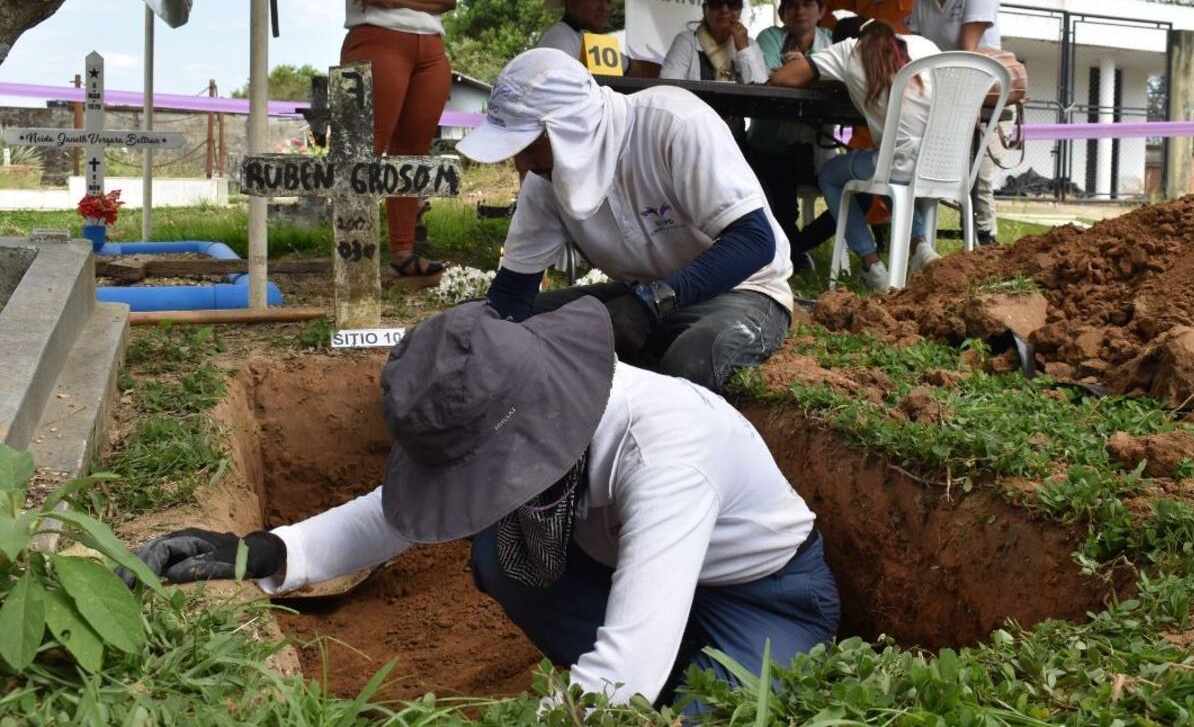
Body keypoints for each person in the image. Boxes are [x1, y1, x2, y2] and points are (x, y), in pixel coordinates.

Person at [128, 299, 841, 708]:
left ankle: (680, 680)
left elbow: (616, 681)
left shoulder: (664, 452)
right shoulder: (550, 414)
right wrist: (266, 551)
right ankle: (668, 669)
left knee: (710, 715)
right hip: (625, 566)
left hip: (763, 597)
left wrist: (608, 698)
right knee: (503, 553)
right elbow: (392, 514)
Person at [458, 47, 794, 393]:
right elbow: (513, 294)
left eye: (528, 147)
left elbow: (755, 241)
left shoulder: (673, 122)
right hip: (645, 295)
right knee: (472, 322)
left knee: (689, 363)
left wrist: (651, 303)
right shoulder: (545, 176)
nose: (521, 165)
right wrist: (481, 337)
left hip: (741, 290)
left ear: (568, 130)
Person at [329, 0, 456, 279]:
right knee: (361, 148)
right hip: (376, 40)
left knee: (413, 152)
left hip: (429, 49)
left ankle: (403, 252)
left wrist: (394, 1)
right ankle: (352, 257)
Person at [769, 20, 943, 292]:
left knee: (834, 175)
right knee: (889, 165)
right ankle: (919, 245)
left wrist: (808, 65)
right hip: (943, 163)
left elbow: (783, 78)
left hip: (898, 165)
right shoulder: (925, 45)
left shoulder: (848, 50)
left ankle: (872, 266)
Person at [904, 0, 1003, 246]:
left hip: (978, 96)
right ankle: (921, 243)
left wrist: (963, 103)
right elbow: (914, 49)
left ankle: (985, 245)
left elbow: (967, 52)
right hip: (935, 97)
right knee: (922, 169)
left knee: (977, 180)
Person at [745, 0, 834, 272]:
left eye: (808, 4)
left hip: (819, 145)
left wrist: (797, 69)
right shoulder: (771, 36)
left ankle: (796, 247)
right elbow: (772, 78)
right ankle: (792, 252)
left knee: (855, 199)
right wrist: (815, 71)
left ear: (820, 11)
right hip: (771, 144)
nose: (800, 11)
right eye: (792, 5)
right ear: (782, 13)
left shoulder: (832, 40)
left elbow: (841, 80)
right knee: (780, 207)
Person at [659, 0, 768, 84]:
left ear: (740, 9)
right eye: (716, 2)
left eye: (732, 2)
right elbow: (668, 88)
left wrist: (744, 49)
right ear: (704, 9)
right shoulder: (687, 42)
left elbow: (763, 93)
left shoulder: (750, 46)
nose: (725, 9)